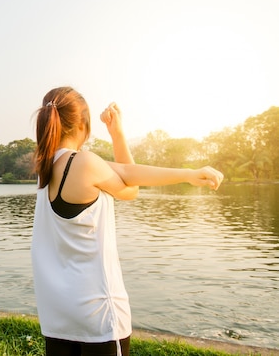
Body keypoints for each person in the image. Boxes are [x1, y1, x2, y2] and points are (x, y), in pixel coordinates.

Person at [31, 86, 224, 356]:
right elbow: (129, 186)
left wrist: (116, 134)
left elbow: (124, 176)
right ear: (83, 124)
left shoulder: (46, 168)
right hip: (97, 317)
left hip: (58, 317)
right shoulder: (84, 163)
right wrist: (189, 173)